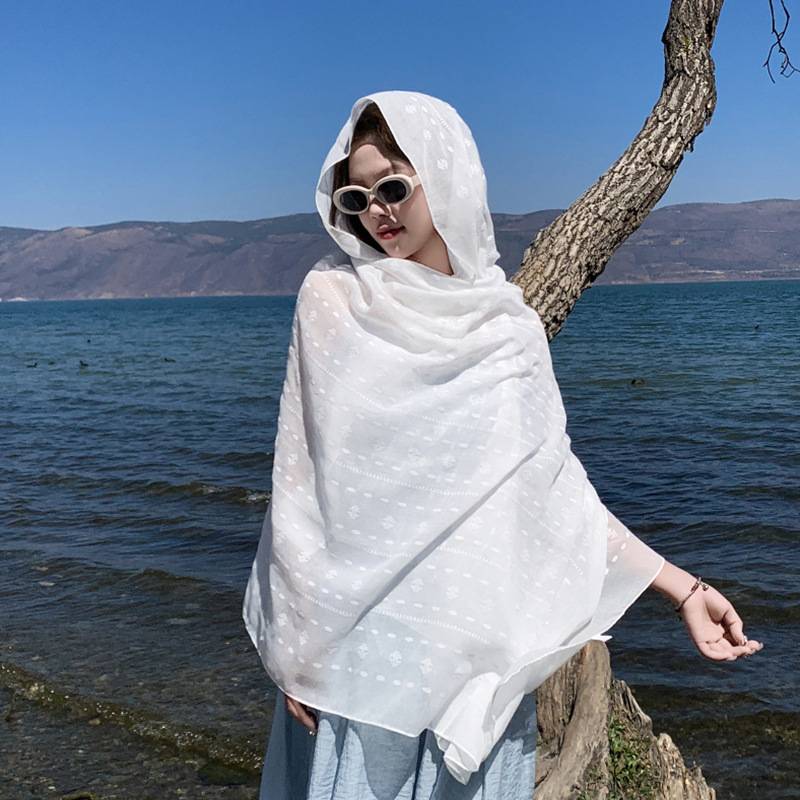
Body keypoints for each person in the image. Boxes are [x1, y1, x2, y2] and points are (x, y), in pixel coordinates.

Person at [243, 91, 762, 800]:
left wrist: (682, 590)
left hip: (474, 651)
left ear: (447, 174)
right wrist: (294, 644)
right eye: (356, 198)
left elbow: (555, 493)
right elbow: (301, 486)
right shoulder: (332, 299)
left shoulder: (507, 326)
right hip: (365, 653)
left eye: (394, 187)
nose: (378, 212)